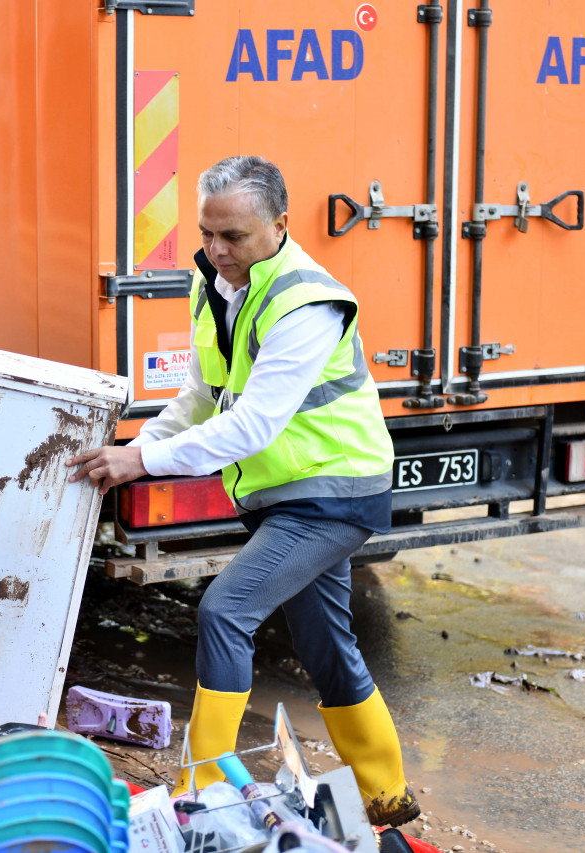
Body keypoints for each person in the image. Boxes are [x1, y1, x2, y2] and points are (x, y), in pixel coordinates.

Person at [67, 156, 420, 826]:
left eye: (235, 236)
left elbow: (253, 424)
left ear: (280, 225)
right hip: (287, 492)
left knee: (224, 610)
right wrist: (134, 445)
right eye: (207, 234)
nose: (218, 251)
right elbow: (200, 399)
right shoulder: (216, 288)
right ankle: (386, 795)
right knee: (325, 644)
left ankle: (195, 798)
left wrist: (142, 460)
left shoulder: (306, 302)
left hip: (334, 488)